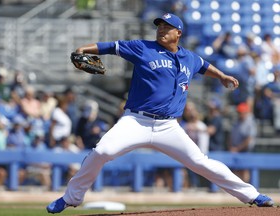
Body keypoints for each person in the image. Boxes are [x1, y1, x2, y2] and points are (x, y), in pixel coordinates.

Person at [46, 13, 273, 213]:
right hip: (136, 121)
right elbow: (109, 47)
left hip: (169, 127)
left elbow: (204, 66)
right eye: (159, 26)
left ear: (179, 33)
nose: (161, 30)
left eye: (166, 27)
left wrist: (222, 76)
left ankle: (252, 195)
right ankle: (71, 198)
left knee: (201, 162)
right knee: (102, 152)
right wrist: (83, 50)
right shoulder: (142, 47)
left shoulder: (189, 58)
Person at [228, 102, 257, 183]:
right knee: (235, 170)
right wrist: (231, 147)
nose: (240, 114)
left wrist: (237, 148)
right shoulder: (237, 122)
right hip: (235, 149)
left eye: (241, 112)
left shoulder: (250, 122)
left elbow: (249, 139)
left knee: (244, 169)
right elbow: (231, 136)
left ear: (246, 112)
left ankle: (246, 188)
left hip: (246, 150)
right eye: (239, 112)